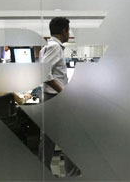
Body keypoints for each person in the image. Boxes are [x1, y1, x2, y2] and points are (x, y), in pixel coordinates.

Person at [39, 17, 81, 177]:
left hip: (50, 98)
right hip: (55, 99)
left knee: (48, 139)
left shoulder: (47, 47)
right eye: (68, 30)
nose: (68, 34)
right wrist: (63, 91)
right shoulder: (55, 47)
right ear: (64, 30)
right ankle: (72, 173)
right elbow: (45, 73)